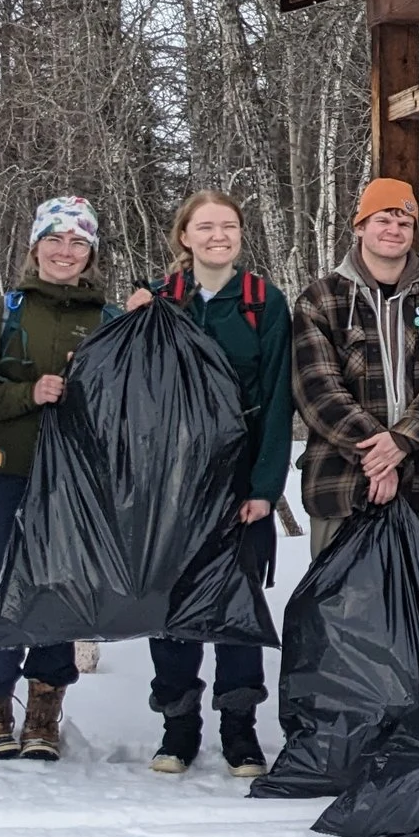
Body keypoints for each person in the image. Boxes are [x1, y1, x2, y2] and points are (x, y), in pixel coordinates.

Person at [133, 189, 295, 778]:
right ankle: (178, 727)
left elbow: (280, 398)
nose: (217, 236)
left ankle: (240, 729)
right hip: (170, 481)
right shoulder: (158, 302)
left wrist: (264, 486)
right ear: (185, 237)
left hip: (239, 476)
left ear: (240, 235)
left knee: (237, 603)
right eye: (205, 227)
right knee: (170, 600)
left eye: (228, 226)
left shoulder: (262, 303)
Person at [0, 195, 117, 764]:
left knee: (62, 590)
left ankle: (45, 711)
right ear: (35, 247)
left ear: (91, 253)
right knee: (3, 589)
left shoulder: (110, 321)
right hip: (5, 471)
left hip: (77, 485)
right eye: (54, 239)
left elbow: (130, 406)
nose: (65, 251)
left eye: (78, 242)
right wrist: (29, 393)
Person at [291, 177, 419, 563]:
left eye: (404, 223)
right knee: (341, 615)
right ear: (360, 227)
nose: (394, 230)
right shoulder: (320, 300)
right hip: (341, 486)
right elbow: (318, 391)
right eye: (383, 220)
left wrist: (402, 441)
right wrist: (377, 457)